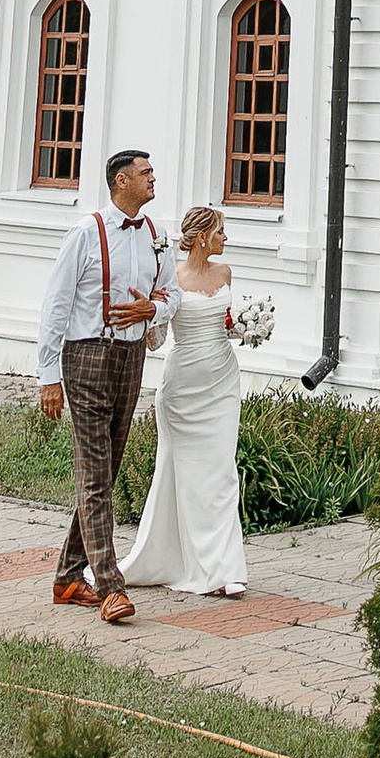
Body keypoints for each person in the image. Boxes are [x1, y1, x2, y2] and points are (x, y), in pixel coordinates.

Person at [36, 145, 168, 626]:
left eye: (152, 172)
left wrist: (152, 310)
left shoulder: (155, 233)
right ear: (121, 182)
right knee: (95, 474)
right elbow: (56, 304)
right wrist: (49, 375)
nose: (153, 179)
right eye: (145, 173)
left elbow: (169, 291)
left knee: (105, 473)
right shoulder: (85, 233)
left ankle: (69, 576)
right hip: (87, 356)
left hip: (131, 357)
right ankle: (110, 587)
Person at [123, 201, 249, 598]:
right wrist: (148, 320)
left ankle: (225, 568)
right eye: (220, 232)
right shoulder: (172, 279)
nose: (225, 238)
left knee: (222, 471)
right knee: (184, 476)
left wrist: (246, 326)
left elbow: (225, 322)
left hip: (222, 384)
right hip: (181, 390)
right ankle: (174, 559)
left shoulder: (225, 272)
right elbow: (159, 339)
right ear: (200, 238)